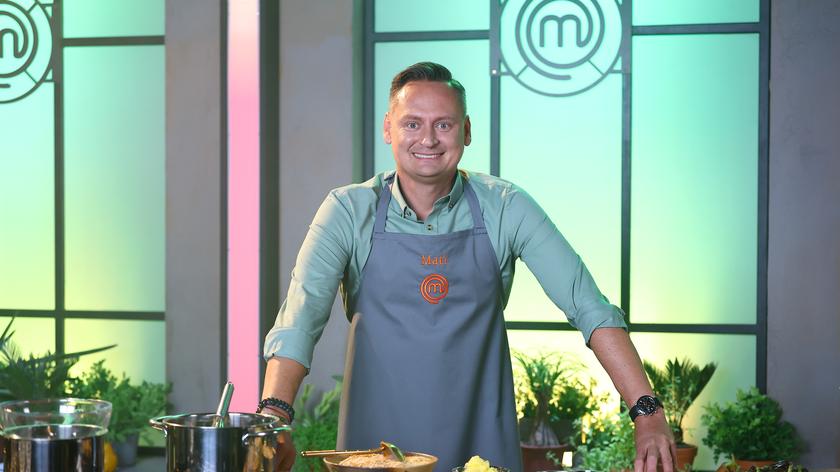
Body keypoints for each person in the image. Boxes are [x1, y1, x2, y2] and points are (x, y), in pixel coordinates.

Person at [259, 62, 675, 472]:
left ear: (467, 131)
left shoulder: (506, 207)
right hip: (374, 452)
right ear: (388, 128)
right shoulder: (348, 211)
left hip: (482, 448)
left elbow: (587, 306)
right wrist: (274, 414)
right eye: (412, 124)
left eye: (444, 124)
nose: (428, 139)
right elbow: (300, 319)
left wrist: (647, 412)